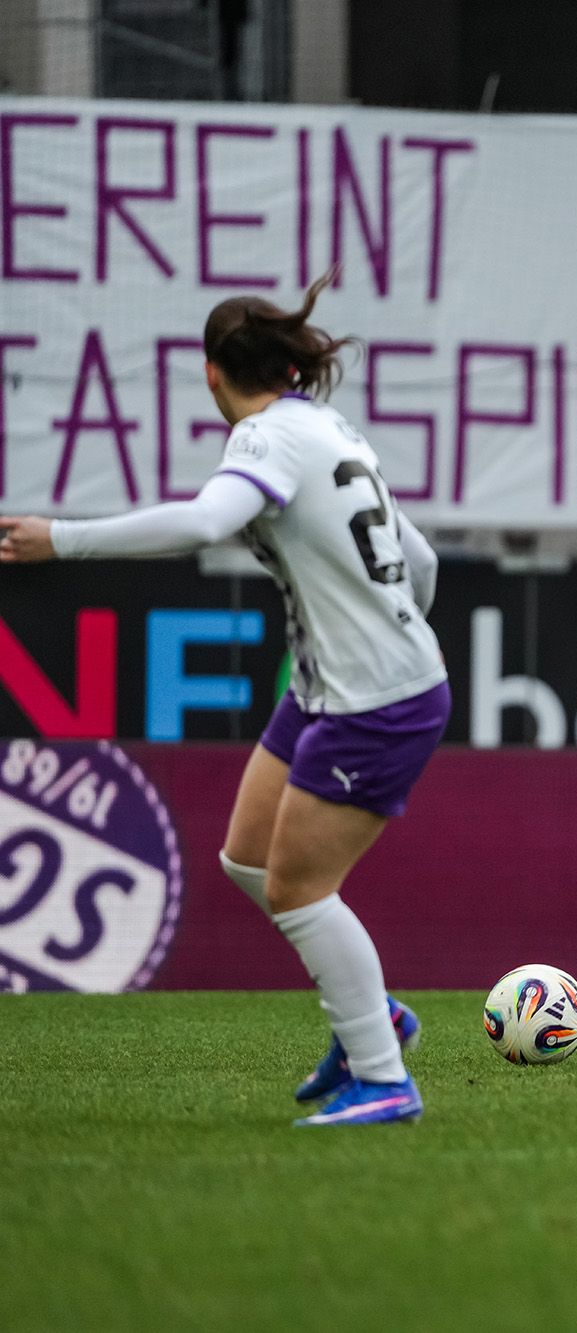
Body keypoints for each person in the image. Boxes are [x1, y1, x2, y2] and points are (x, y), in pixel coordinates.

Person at [0, 272, 445, 1124]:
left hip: (373, 700)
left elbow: (206, 522)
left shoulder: (265, 438)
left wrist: (63, 538)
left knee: (299, 891)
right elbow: (419, 562)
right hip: (331, 686)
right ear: (287, 366)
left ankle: (385, 1078)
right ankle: (372, 1013)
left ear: (211, 373)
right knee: (248, 858)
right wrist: (390, 627)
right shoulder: (328, 426)